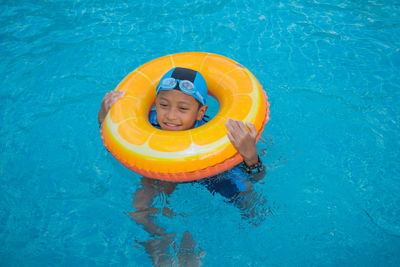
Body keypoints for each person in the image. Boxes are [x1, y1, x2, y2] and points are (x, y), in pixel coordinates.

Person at [98, 67, 266, 266]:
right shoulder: (147, 125)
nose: (170, 116)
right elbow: (115, 144)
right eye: (163, 105)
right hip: (161, 169)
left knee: (253, 208)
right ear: (155, 104)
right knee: (138, 211)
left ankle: (191, 247)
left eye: (183, 109)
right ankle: (161, 239)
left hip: (209, 172)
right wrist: (105, 115)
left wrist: (250, 156)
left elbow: (258, 176)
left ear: (200, 112)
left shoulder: (216, 134)